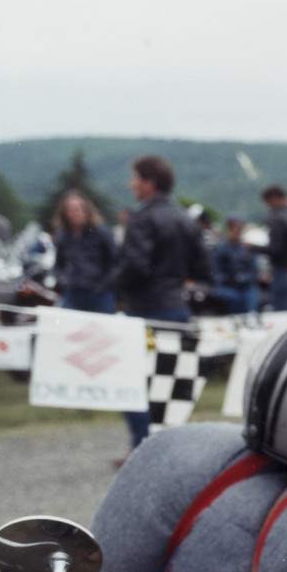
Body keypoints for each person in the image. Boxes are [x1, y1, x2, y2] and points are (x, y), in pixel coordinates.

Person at [117, 156, 209, 447]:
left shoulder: (141, 217)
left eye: (135, 179)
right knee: (172, 386)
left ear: (149, 183)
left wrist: (112, 284)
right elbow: (202, 267)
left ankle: (141, 449)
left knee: (132, 382)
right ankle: (167, 451)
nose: (130, 185)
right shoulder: (184, 217)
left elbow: (137, 267)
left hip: (145, 309)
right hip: (176, 308)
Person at [50, 190, 116, 313]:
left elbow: (114, 262)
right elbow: (58, 265)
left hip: (99, 293)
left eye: (78, 209)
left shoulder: (101, 233)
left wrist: (103, 284)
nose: (75, 213)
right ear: (65, 213)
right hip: (73, 292)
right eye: (70, 209)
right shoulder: (62, 236)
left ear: (86, 211)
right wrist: (63, 280)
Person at [209, 216, 262, 315]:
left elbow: (254, 270)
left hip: (245, 285)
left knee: (252, 295)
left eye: (238, 228)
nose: (235, 231)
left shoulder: (247, 249)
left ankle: (252, 316)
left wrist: (244, 278)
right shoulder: (220, 249)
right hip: (227, 285)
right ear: (228, 229)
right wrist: (226, 279)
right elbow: (215, 270)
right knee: (231, 297)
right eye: (232, 227)